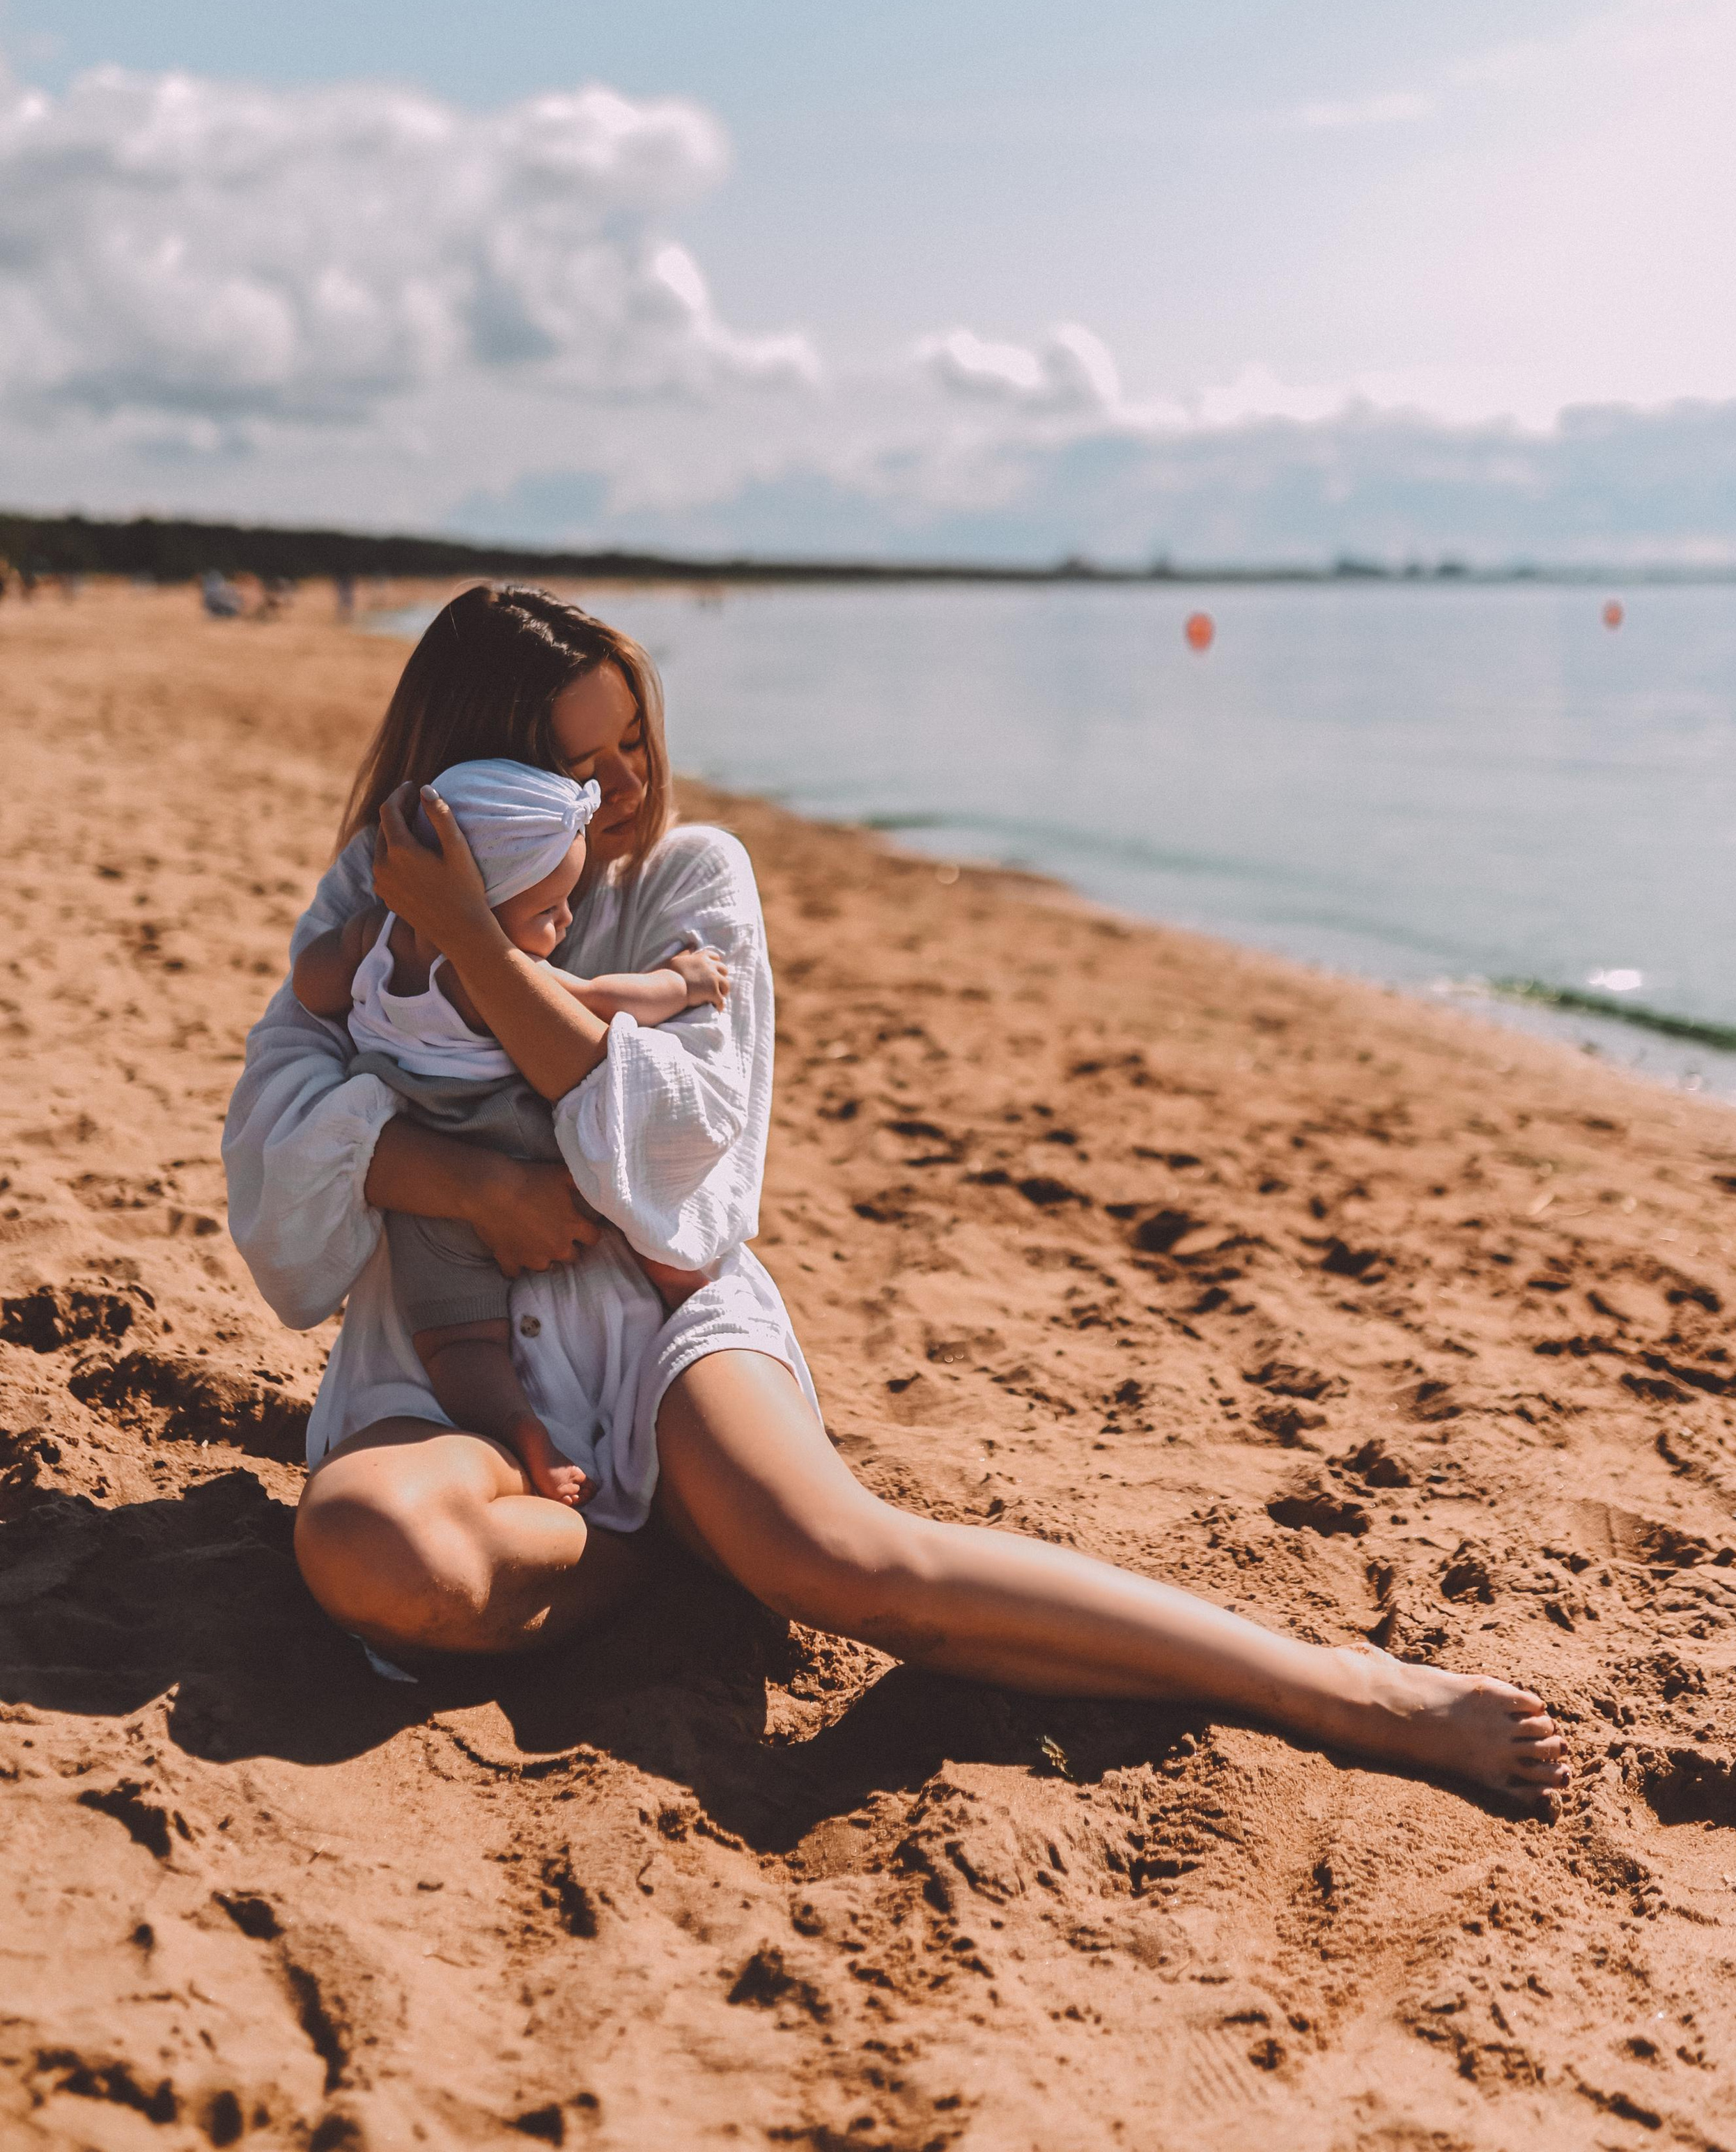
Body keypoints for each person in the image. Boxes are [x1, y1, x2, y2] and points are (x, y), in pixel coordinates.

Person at [224, 585, 1571, 1804]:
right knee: (368, 1550)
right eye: (581, 762)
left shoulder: (693, 881)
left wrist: (471, 945)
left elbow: (689, 1158)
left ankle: (1331, 1682)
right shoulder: (368, 900)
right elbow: (271, 1157)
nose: (626, 784)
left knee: (848, 1565)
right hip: (449, 1356)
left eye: (636, 739)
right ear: (485, 780)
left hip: (662, 1323)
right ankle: (657, 1556)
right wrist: (461, 1176)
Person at [290, 754, 729, 1505]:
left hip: (428, 1200)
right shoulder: (488, 972)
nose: (564, 921)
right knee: (640, 1198)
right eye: (548, 910)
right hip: (530, 1151)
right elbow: (601, 1002)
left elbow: (310, 982)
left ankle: (522, 1431)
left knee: (458, 1344)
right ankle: (683, 1289)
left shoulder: (374, 938)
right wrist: (684, 982)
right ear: (479, 907)